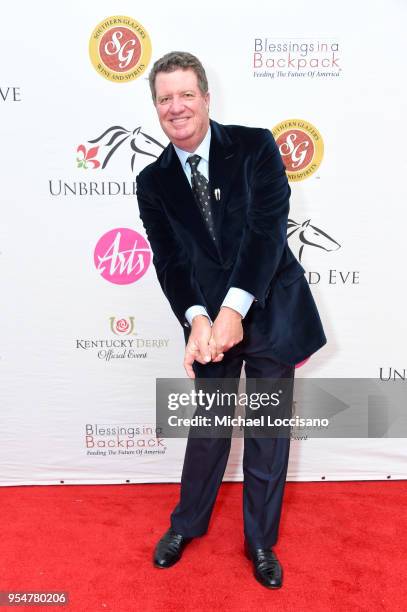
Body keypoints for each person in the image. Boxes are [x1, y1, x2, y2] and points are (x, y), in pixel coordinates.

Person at [136, 51, 326, 589]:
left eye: (185, 95)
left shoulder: (255, 145)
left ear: (206, 98)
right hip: (210, 327)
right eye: (165, 98)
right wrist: (197, 320)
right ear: (156, 108)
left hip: (267, 309)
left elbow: (266, 234)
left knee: (268, 432)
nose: (177, 107)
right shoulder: (152, 182)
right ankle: (186, 524)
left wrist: (233, 310)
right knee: (209, 429)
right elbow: (169, 260)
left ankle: (261, 542)